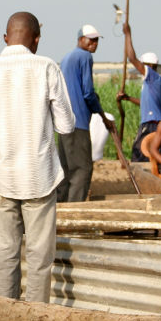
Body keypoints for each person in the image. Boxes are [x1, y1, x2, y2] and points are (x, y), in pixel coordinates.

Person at [0, 11, 75, 302]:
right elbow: (65, 125)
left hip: (3, 177)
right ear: (36, 39)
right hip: (40, 176)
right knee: (39, 259)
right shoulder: (47, 67)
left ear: (5, 38)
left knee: (6, 256)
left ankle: (4, 317)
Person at [58, 24, 115, 202]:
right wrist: (102, 115)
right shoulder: (84, 56)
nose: (94, 44)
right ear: (81, 40)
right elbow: (88, 93)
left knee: (66, 169)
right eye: (91, 40)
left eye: (96, 40)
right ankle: (75, 210)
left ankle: (61, 208)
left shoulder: (67, 58)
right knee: (82, 169)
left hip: (64, 122)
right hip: (78, 123)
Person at [117, 19, 161, 162]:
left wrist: (127, 35)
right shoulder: (154, 82)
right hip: (152, 122)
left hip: (152, 124)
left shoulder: (152, 77)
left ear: (149, 65)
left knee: (140, 155)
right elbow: (146, 104)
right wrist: (128, 98)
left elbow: (131, 57)